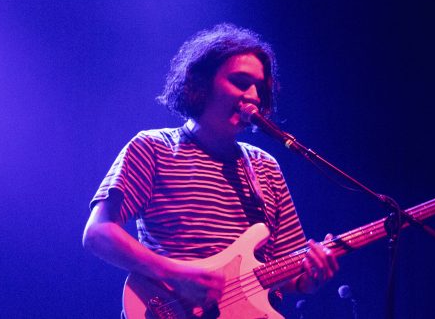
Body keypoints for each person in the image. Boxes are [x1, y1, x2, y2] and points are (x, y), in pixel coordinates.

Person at [83, 23, 339, 317]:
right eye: (240, 82)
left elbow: (286, 269)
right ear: (201, 85)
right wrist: (175, 275)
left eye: (259, 87)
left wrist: (309, 278)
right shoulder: (154, 148)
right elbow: (98, 233)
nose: (254, 96)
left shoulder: (266, 167)